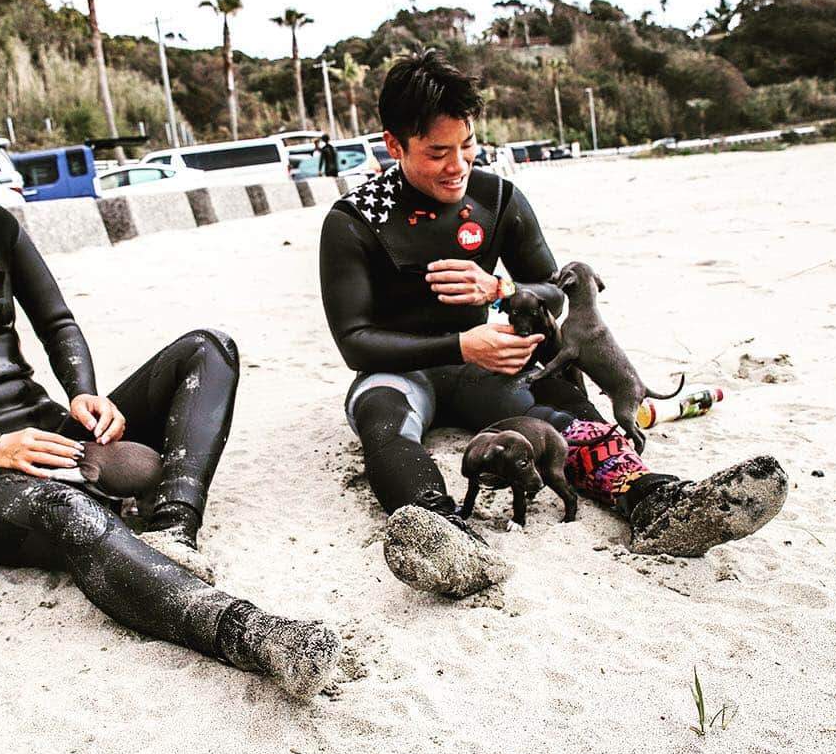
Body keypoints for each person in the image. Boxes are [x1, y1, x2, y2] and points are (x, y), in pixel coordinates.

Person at [0, 80, 340, 699]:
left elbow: (57, 322)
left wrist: (83, 393)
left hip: (53, 432)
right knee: (70, 512)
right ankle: (244, 632)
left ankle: (172, 532)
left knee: (207, 347)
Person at [318, 51, 788, 597]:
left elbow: (552, 287)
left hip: (486, 369)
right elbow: (355, 343)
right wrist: (461, 343)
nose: (458, 166)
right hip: (402, 374)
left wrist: (501, 289)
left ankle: (655, 501)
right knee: (382, 419)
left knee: (556, 414)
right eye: (437, 152)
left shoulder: (497, 199)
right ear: (393, 145)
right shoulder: (355, 220)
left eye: (467, 145)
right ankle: (443, 532)